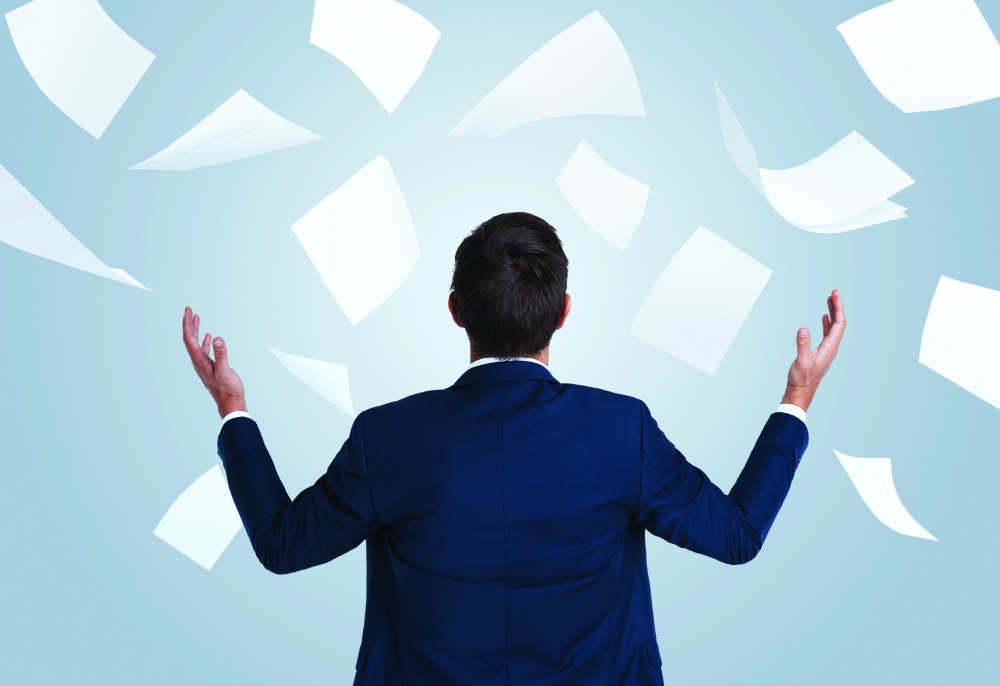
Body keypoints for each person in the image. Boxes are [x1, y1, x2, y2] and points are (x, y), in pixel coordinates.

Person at [182, 211, 845, 685]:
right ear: (563, 311)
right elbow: (738, 535)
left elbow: (282, 544)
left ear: (455, 311)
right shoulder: (621, 431)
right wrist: (798, 396)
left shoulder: (388, 437)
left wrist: (232, 410)